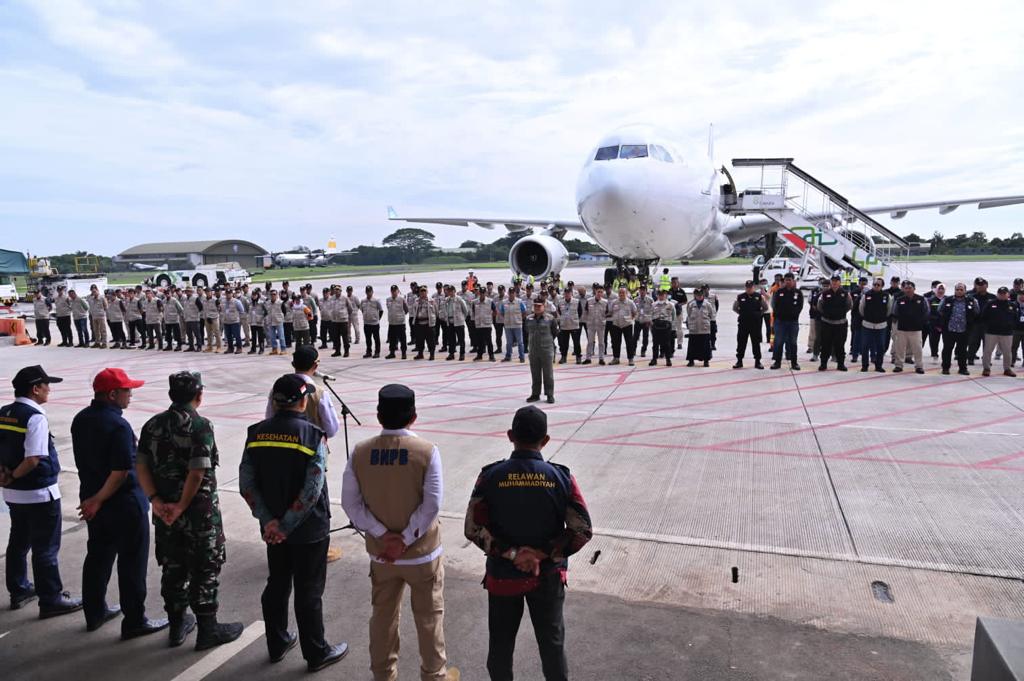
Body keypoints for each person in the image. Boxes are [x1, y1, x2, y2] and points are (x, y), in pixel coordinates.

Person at [464, 406, 593, 681]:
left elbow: (473, 528)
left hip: (503, 577)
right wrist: (542, 554)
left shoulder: (490, 476)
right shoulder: (562, 478)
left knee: (500, 646)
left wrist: (512, 554)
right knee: (552, 646)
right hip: (546, 576)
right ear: (545, 440)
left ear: (510, 435)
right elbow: (582, 530)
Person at [341, 385, 455, 681]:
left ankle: (384, 675)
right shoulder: (427, 452)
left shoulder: (360, 453)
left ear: (378, 415)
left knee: (383, 618)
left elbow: (350, 504)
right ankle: (434, 675)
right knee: (429, 620)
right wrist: (404, 539)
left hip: (382, 556)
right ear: (413, 416)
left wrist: (384, 536)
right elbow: (432, 505)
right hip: (422, 555)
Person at [238, 374, 349, 671]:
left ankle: (277, 642)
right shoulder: (313, 436)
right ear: (303, 401)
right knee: (309, 590)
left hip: (273, 529)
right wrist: (286, 524)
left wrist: (270, 522)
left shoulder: (256, 432)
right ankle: (316, 652)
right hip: (308, 529)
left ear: (275, 401)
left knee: (277, 582)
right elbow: (312, 490)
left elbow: (246, 483)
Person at [135, 372, 244, 649]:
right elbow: (197, 472)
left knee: (173, 567)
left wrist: (156, 501)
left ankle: (177, 626)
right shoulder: (200, 425)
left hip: (165, 514)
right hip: (198, 514)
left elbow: (141, 466)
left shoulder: (152, 425)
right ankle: (208, 630)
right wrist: (182, 505)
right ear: (199, 395)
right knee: (204, 567)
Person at [72, 368, 168, 638]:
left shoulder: (81, 419)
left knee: (98, 557)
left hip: (93, 501)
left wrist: (93, 501)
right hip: (121, 504)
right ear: (112, 394)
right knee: (131, 563)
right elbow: (121, 471)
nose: (131, 395)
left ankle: (95, 612)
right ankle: (135, 621)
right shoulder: (118, 425)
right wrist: (99, 499)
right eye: (127, 390)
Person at [0, 366, 83, 618]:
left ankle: (19, 589)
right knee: (45, 548)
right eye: (47, 385)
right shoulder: (35, 416)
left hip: (13, 495)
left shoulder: (4, 413)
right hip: (39, 493)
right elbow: (34, 457)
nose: (50, 389)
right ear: (35, 389)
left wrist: (6, 478)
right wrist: (14, 475)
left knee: (18, 542)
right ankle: (51, 598)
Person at [938, 283, 977, 375]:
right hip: (949, 330)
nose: (959, 291)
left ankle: (963, 368)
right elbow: (940, 310)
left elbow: (976, 311)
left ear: (965, 291)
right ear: (955, 290)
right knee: (947, 349)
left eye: (961, 290)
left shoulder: (971, 300)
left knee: (962, 350)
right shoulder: (947, 300)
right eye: (957, 289)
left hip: (964, 330)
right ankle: (945, 368)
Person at [890, 281, 929, 374]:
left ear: (914, 289)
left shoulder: (921, 299)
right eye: (906, 288)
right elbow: (894, 313)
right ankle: (898, 365)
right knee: (900, 349)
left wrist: (920, 322)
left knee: (917, 349)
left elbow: (926, 312)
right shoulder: (899, 300)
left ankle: (919, 366)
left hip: (916, 329)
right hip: (902, 329)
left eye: (910, 288)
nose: (908, 290)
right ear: (903, 289)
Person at [816, 274, 852, 371]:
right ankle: (823, 364)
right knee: (825, 345)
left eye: (837, 281)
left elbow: (849, 305)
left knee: (840, 345)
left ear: (840, 282)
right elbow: (820, 306)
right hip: (827, 323)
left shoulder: (845, 294)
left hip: (840, 324)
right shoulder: (824, 294)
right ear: (831, 282)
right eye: (833, 281)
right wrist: (828, 314)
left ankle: (841, 364)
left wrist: (839, 313)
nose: (835, 283)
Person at [525, 300, 558, 404]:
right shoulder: (528, 318)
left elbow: (554, 332)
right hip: (534, 350)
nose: (537, 308)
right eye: (535, 306)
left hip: (546, 350)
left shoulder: (550, 319)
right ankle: (535, 394)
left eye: (539, 306)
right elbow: (526, 331)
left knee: (548, 374)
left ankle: (549, 395)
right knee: (535, 373)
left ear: (544, 307)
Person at [980, 286, 1017, 377]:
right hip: (991, 332)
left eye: (1004, 293)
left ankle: (1007, 369)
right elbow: (983, 316)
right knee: (987, 351)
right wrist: (988, 326)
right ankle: (986, 368)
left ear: (1007, 294)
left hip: (1007, 333)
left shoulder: (1012, 305)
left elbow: (1015, 318)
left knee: (1007, 352)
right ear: (997, 294)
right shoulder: (990, 304)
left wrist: (1010, 326)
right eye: (1000, 294)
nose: (1002, 295)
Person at [770, 273, 803, 370]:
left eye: (790, 280)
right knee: (779, 342)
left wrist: (793, 314)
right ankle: (777, 362)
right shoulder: (779, 292)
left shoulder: (798, 293)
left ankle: (794, 363)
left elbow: (800, 307)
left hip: (793, 322)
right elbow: (774, 305)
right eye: (786, 280)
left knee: (793, 342)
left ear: (793, 281)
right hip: (780, 322)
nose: (788, 282)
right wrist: (779, 315)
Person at [732, 280, 768, 369]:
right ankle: (739, 361)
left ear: (753, 287)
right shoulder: (740, 297)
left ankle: (757, 361)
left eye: (750, 287)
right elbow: (735, 308)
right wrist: (742, 314)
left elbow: (765, 307)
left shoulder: (759, 296)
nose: (749, 289)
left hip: (755, 324)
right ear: (745, 287)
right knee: (741, 342)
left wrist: (758, 314)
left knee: (755, 343)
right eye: (747, 287)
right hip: (743, 324)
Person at [858, 278, 890, 373]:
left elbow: (889, 310)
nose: (876, 286)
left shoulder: (887, 296)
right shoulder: (866, 295)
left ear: (882, 286)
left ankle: (878, 366)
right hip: (867, 325)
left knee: (880, 347)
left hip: (881, 326)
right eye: (875, 284)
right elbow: (861, 308)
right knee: (865, 346)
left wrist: (882, 318)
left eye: (878, 285)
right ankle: (865, 365)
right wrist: (868, 318)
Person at [685, 288, 715, 367]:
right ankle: (691, 360)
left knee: (705, 346)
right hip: (694, 328)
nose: (699, 296)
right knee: (692, 345)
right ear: (695, 295)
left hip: (704, 328)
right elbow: (689, 314)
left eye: (701, 295)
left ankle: (706, 361)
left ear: (703, 295)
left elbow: (711, 315)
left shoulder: (707, 304)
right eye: (697, 295)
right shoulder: (691, 304)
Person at [608, 287, 638, 366]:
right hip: (616, 325)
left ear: (626, 293)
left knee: (629, 343)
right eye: (620, 293)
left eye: (623, 293)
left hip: (627, 325)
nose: (621, 294)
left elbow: (635, 312)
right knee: (615, 343)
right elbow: (610, 312)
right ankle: (616, 358)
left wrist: (631, 319)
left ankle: (630, 359)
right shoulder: (614, 302)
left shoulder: (630, 302)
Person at [649, 289, 676, 366]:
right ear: (657, 295)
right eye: (660, 294)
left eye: (663, 294)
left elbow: (673, 317)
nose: (661, 296)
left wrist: (672, 327)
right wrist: (652, 326)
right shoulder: (653, 304)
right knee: (655, 344)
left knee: (667, 344)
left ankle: (668, 359)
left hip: (666, 326)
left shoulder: (671, 305)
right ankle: (654, 359)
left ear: (666, 295)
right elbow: (650, 315)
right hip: (656, 326)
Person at [442, 286, 469, 362]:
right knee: (451, 339)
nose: (450, 292)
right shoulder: (447, 300)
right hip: (450, 322)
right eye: (448, 291)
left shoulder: (459, 299)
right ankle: (451, 353)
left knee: (461, 339)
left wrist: (462, 318)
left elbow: (465, 311)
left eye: (451, 291)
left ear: (454, 291)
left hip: (459, 322)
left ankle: (462, 354)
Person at [556, 288, 583, 365]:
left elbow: (580, 312)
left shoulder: (576, 302)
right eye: (566, 293)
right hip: (564, 325)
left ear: (571, 293)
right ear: (564, 294)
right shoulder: (560, 302)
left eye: (568, 293)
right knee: (564, 343)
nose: (567, 294)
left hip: (574, 325)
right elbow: (559, 312)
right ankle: (563, 357)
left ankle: (578, 357)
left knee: (576, 343)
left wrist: (573, 319)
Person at [582, 286, 609, 365]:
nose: (599, 293)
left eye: (601, 292)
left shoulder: (605, 302)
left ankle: (601, 358)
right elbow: (585, 312)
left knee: (601, 342)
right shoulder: (589, 301)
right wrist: (587, 322)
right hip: (591, 324)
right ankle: (588, 358)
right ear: (595, 292)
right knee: (590, 342)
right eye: (598, 292)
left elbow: (607, 313)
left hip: (601, 325)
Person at [500, 290, 528, 363]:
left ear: (515, 293)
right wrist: (507, 319)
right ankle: (508, 356)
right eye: (510, 293)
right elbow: (502, 312)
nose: (512, 294)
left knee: (520, 342)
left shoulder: (519, 302)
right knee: (509, 342)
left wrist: (519, 319)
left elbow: (524, 312)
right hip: (508, 325)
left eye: (513, 293)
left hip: (517, 324)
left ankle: (522, 357)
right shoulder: (504, 302)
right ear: (508, 293)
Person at [411, 287, 438, 361]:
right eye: (421, 292)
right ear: (419, 293)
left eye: (424, 292)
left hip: (428, 324)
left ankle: (432, 354)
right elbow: (414, 310)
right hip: (419, 323)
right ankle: (420, 354)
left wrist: (433, 320)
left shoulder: (431, 301)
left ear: (427, 292)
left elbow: (436, 311)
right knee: (419, 340)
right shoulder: (416, 301)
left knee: (431, 340)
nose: (423, 293)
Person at [472, 287, 497, 362]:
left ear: (485, 293)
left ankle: (491, 355)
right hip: (479, 324)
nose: (482, 294)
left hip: (487, 324)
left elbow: (495, 311)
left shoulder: (490, 301)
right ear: (479, 293)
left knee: (489, 341)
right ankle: (479, 355)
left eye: (483, 293)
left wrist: (489, 317)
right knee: (479, 341)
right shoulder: (475, 302)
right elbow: (473, 311)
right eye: (481, 293)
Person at [385, 285, 409, 359]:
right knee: (392, 339)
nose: (393, 292)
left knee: (402, 339)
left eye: (395, 291)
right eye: (392, 291)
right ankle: (392, 353)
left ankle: (404, 353)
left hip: (400, 323)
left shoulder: (401, 299)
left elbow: (406, 310)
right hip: (392, 323)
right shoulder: (388, 299)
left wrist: (401, 316)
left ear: (397, 291)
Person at [360, 286, 384, 359]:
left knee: (376, 338)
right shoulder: (363, 301)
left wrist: (377, 319)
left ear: (372, 292)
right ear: (365, 292)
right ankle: (368, 351)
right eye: (367, 291)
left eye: (370, 291)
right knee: (368, 339)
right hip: (366, 323)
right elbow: (362, 309)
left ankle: (377, 352)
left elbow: (381, 310)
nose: (368, 293)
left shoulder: (376, 300)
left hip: (375, 323)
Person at [87, 284, 109, 349]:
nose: (94, 292)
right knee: (95, 330)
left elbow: (106, 306)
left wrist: (102, 312)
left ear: (97, 290)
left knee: (103, 330)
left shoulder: (102, 298)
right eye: (92, 291)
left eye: (95, 291)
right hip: (94, 316)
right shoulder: (91, 298)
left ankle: (104, 343)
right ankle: (97, 342)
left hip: (101, 316)